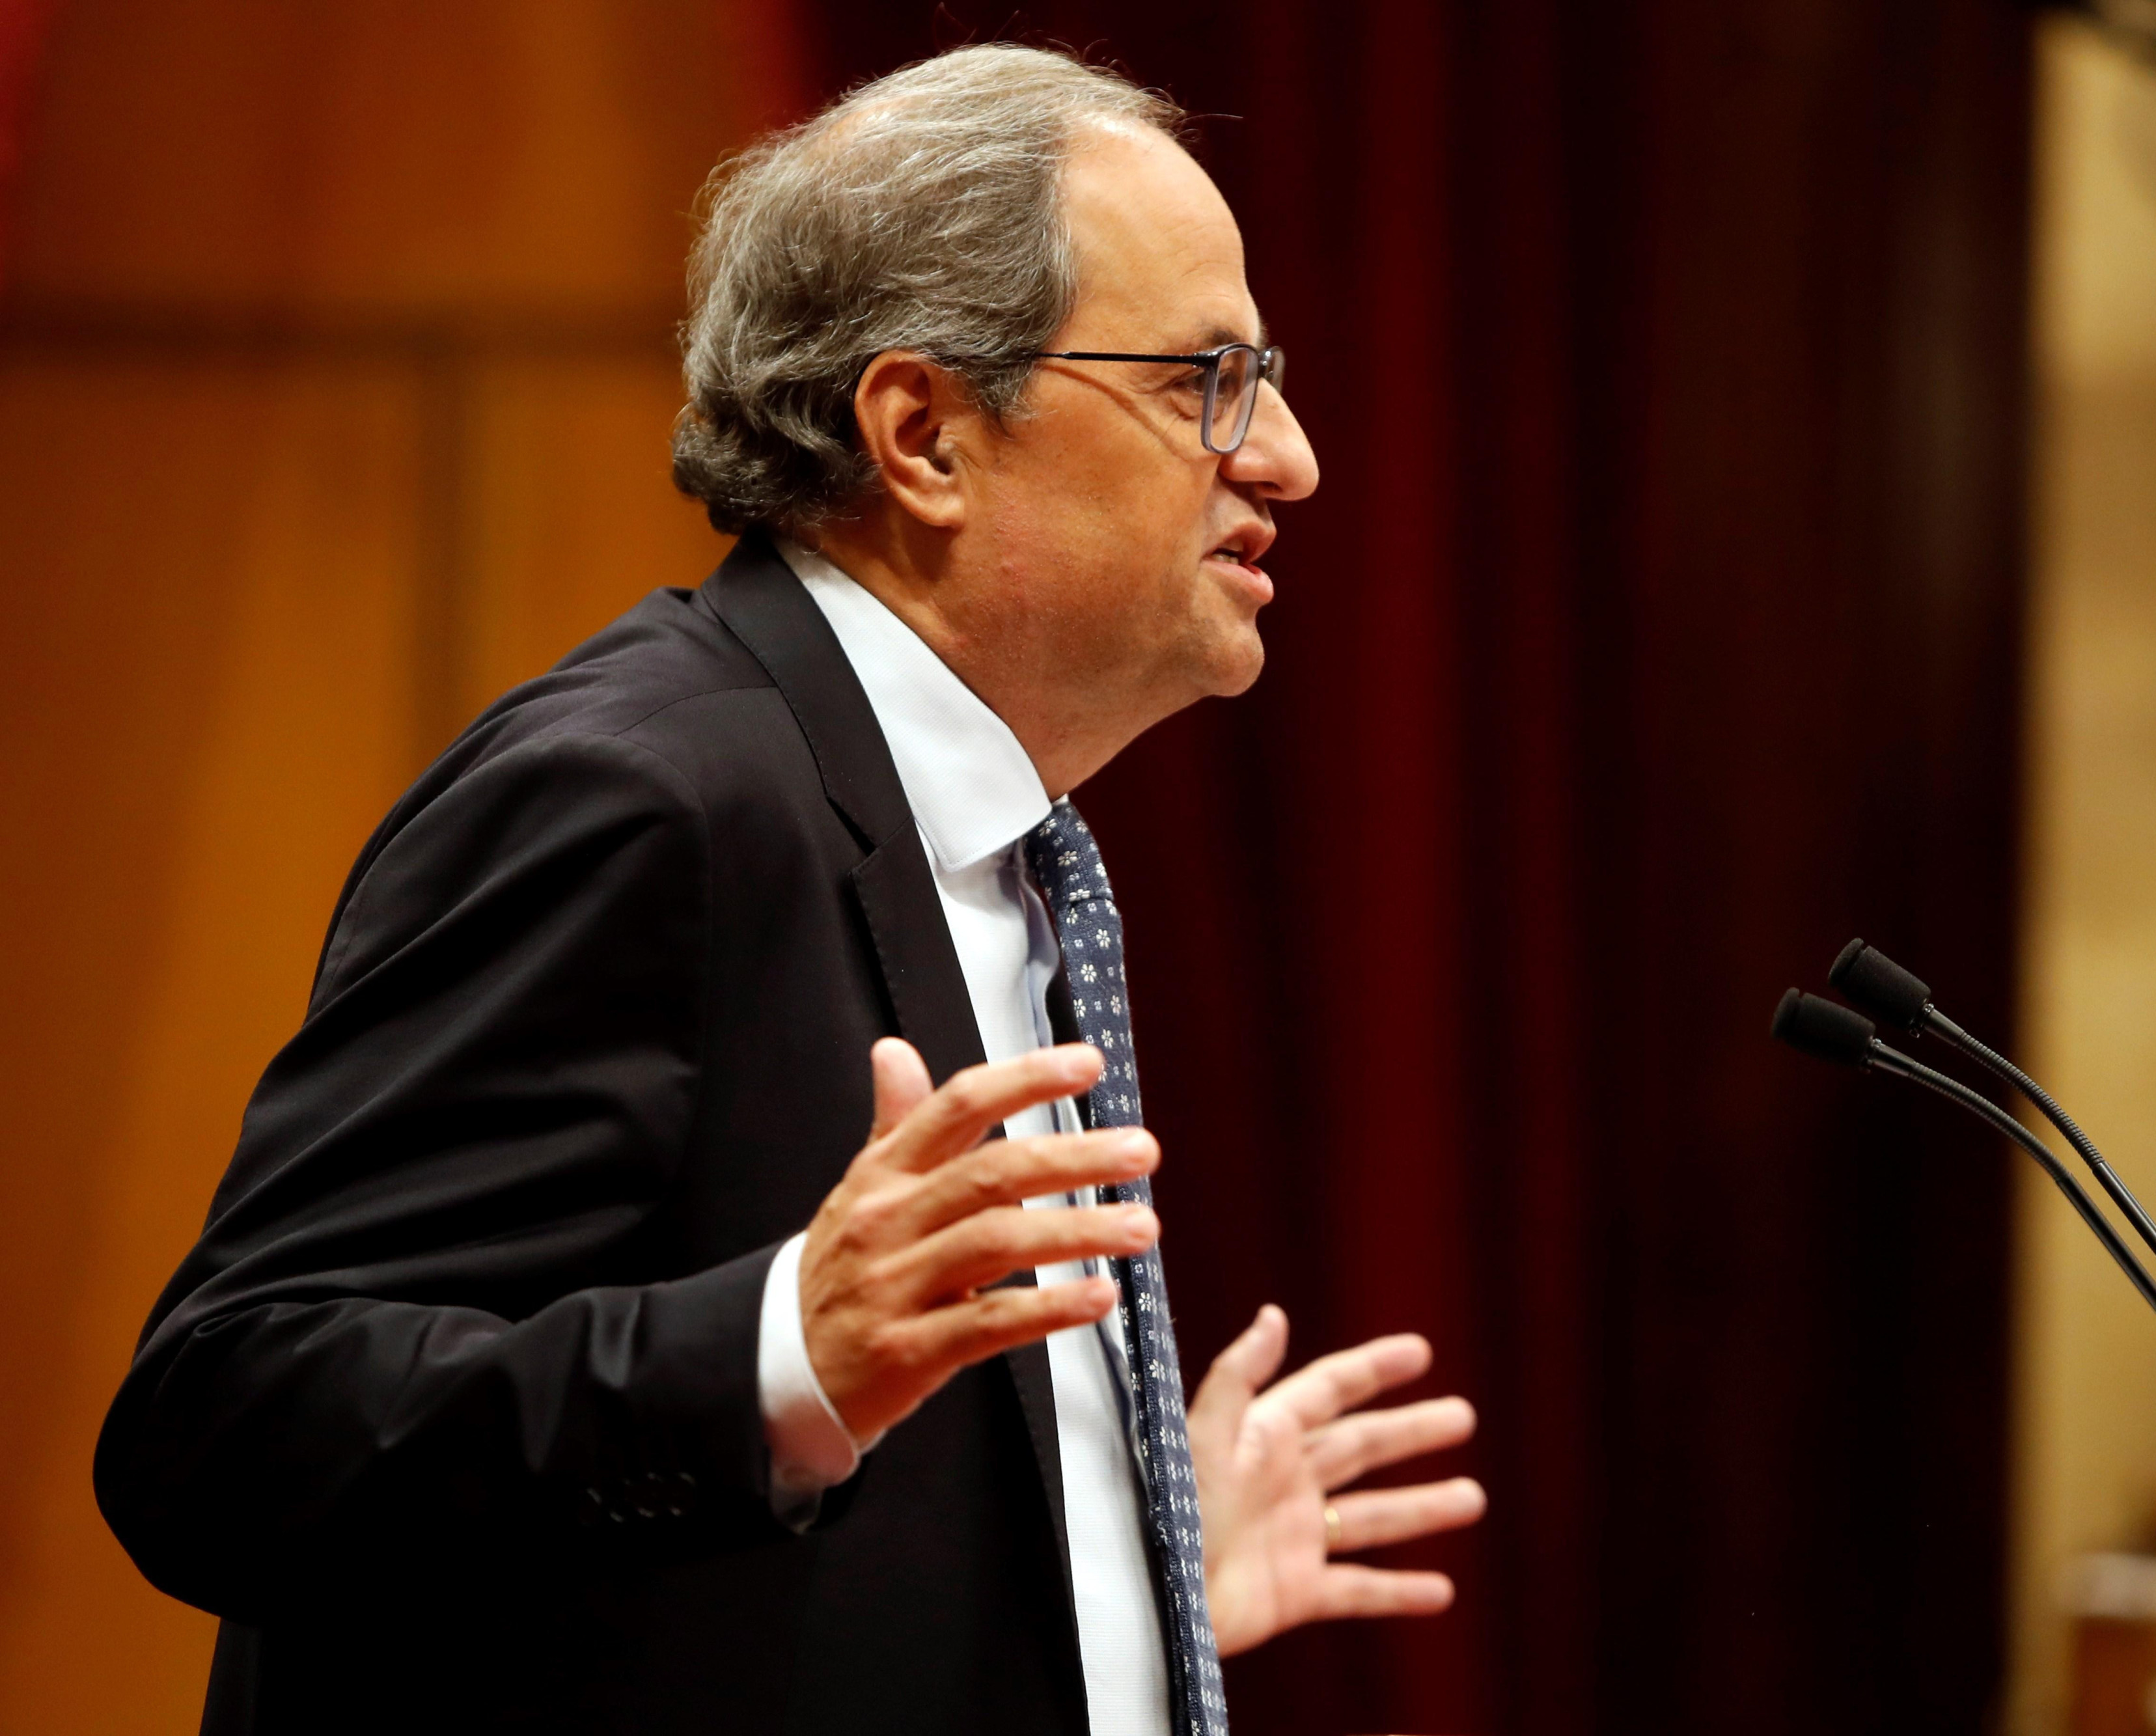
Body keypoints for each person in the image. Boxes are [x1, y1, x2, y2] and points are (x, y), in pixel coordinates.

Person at [94, 44, 1485, 1736]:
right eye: (1208, 377)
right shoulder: (642, 796)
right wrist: (779, 1348)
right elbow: (229, 1426)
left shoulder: (988, 839)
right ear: (923, 435)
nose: (1290, 457)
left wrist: (1119, 1582)